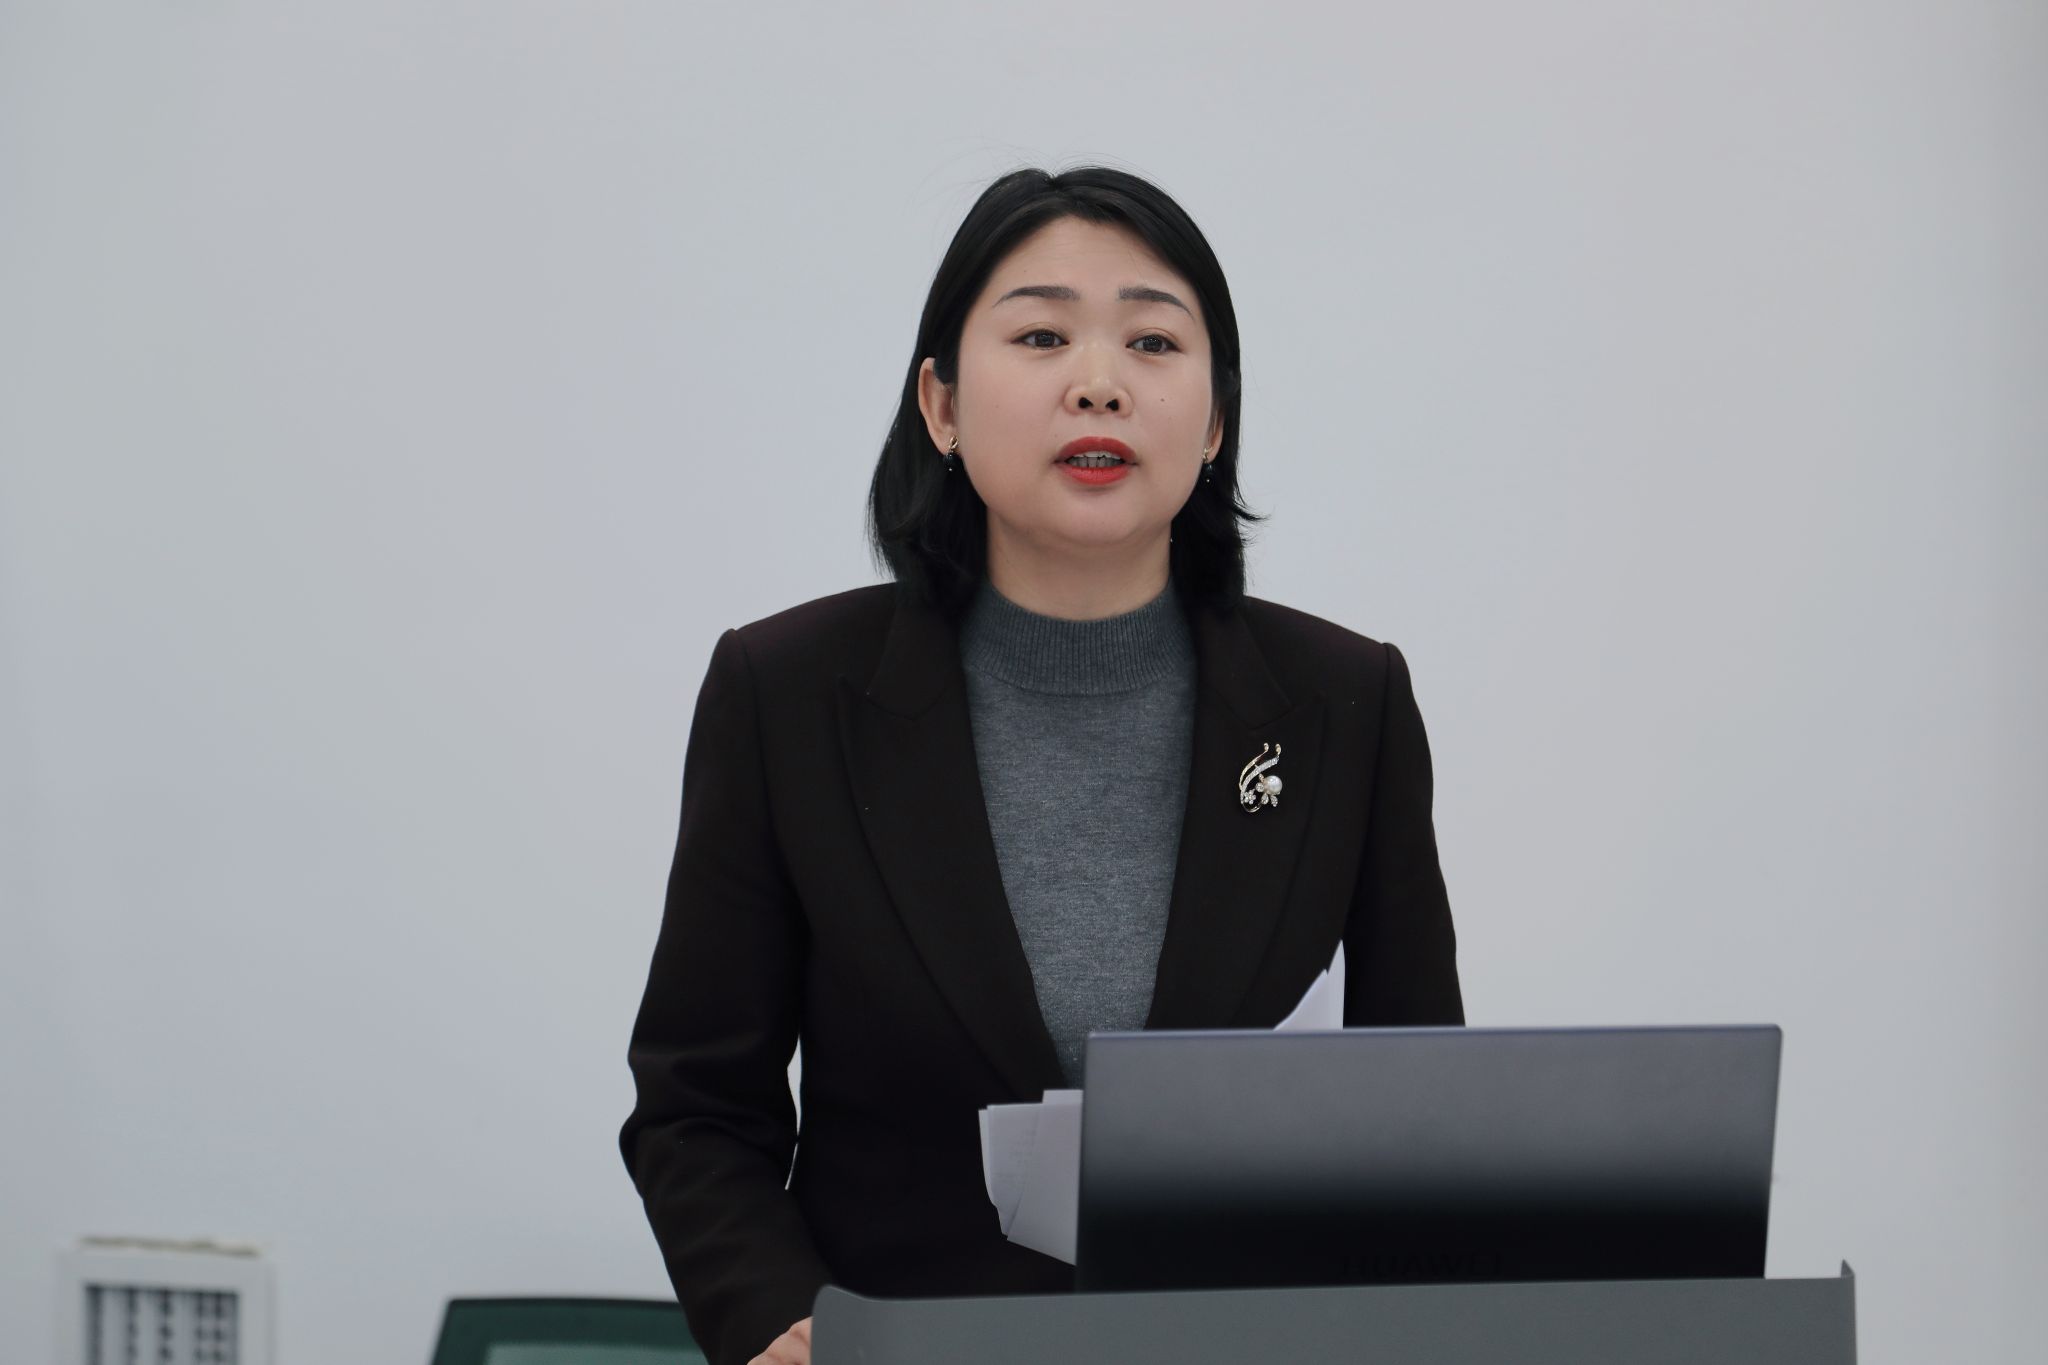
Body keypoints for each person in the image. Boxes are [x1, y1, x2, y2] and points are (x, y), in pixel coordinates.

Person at [617, 165, 1465, 1365]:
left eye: (1152, 342)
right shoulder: (786, 694)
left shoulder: (1345, 703)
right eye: (1040, 335)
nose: (1098, 383)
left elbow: (1424, 1115)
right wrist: (781, 1323)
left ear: (1213, 422)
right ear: (941, 404)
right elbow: (699, 1108)